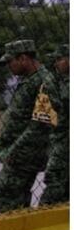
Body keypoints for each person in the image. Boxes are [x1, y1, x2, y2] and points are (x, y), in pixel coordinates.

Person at [0, 39, 56, 213]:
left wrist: (14, 149)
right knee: (17, 197)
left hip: (25, 153)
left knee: (4, 194)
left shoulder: (43, 82)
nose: (9, 67)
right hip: (19, 152)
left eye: (10, 61)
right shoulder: (30, 80)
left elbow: (40, 125)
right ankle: (22, 224)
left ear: (23, 59)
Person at [39, 45, 68, 206]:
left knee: (56, 181)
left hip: (64, 141)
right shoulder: (54, 81)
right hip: (60, 138)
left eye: (60, 59)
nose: (56, 63)